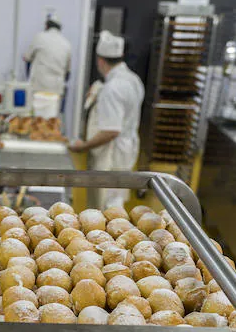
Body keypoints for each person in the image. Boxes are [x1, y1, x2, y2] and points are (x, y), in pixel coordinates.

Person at [69, 30, 145, 209]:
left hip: (111, 154)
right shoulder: (133, 80)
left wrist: (84, 146)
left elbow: (111, 131)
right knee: (117, 193)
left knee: (108, 203)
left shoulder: (112, 88)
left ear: (101, 61)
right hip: (127, 147)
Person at [23, 12, 72, 96]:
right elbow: (68, 72)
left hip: (38, 86)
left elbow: (26, 58)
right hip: (56, 88)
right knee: (53, 109)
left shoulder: (39, 37)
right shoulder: (67, 44)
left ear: (46, 26)